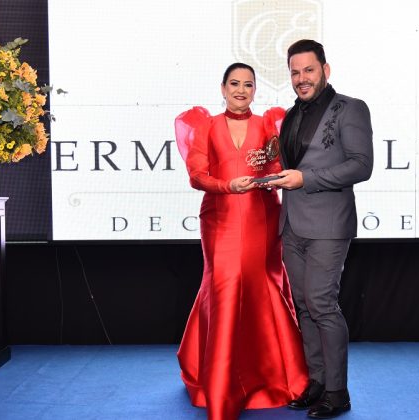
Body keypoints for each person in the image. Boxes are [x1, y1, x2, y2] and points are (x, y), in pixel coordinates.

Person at [174, 62, 308, 420]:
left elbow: (278, 167)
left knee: (261, 285)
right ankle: (220, 386)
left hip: (262, 217)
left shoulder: (268, 124)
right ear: (223, 88)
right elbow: (197, 176)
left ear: (254, 90)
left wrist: (271, 176)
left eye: (248, 85)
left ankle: (273, 377)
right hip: (219, 219)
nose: (240, 90)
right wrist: (227, 185)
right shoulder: (206, 126)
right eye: (234, 84)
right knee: (224, 287)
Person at [267, 39, 374, 418]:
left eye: (309, 70)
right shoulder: (290, 115)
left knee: (322, 305)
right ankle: (316, 382)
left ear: (325, 70)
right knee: (304, 306)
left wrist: (305, 179)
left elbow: (361, 165)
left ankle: (337, 392)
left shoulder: (351, 108)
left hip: (329, 225)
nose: (302, 78)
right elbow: (289, 165)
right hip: (292, 224)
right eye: (295, 72)